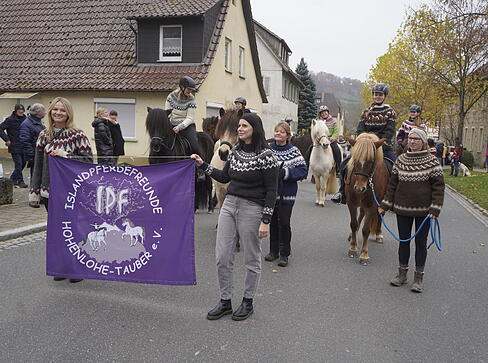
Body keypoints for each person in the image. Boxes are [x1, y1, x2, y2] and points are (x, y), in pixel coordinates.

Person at [191, 112, 278, 321]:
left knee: (251, 257)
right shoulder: (236, 151)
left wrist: (265, 221)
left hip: (252, 208)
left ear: (254, 129)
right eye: (239, 126)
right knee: (222, 256)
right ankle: (225, 301)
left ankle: (248, 301)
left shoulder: (267, 156)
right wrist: (203, 164)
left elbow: (272, 190)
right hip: (229, 205)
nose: (239, 129)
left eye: (244, 126)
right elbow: (224, 176)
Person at [29, 97, 93, 283]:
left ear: (68, 113)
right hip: (49, 191)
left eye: (62, 110)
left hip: (72, 193)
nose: (58, 113)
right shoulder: (44, 135)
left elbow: (88, 162)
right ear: (50, 112)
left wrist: (65, 155)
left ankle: (77, 267)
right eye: (55, 109)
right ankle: (61, 267)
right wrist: (34, 191)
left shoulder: (77, 135)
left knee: (73, 229)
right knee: (57, 231)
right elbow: (38, 164)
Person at [378, 128, 444, 293]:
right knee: (404, 241)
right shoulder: (401, 160)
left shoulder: (432, 161)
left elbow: (438, 187)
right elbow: (392, 186)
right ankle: (402, 274)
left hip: (424, 211)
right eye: (410, 138)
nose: (413, 141)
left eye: (416, 139)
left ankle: (418, 278)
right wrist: (384, 205)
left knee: (421, 243)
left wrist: (435, 208)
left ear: (423, 142)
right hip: (402, 209)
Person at [332, 83, 397, 204]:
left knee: (395, 167)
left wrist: (377, 143)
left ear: (385, 96)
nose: (377, 97)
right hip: (364, 146)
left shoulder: (390, 112)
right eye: (375, 94)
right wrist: (364, 142)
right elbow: (360, 129)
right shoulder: (366, 111)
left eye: (380, 95)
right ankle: (342, 192)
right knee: (344, 164)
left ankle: (392, 197)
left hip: (382, 146)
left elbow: (389, 131)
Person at [265, 122, 307, 267]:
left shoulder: (294, 151)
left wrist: (285, 173)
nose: (278, 134)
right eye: (276, 131)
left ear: (288, 136)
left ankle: (284, 253)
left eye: (282, 132)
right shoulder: (268, 149)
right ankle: (273, 251)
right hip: (271, 193)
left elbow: (303, 170)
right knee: (273, 222)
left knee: (284, 222)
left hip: (287, 194)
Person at [165, 76, 201, 155]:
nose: (190, 91)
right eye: (188, 89)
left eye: (191, 89)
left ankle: (195, 165)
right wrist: (168, 125)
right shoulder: (170, 97)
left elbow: (190, 118)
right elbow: (168, 113)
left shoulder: (192, 101)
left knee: (194, 147)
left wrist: (179, 127)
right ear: (182, 87)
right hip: (172, 125)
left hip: (187, 126)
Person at [0, 104, 27, 187]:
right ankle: (20, 181)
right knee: (18, 164)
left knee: (23, 163)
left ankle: (13, 178)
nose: (21, 112)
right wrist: (6, 139)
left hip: (24, 145)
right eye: (19, 111)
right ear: (16, 111)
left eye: (22, 111)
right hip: (14, 145)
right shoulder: (10, 120)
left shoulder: (25, 119)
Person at [19, 103, 46, 180]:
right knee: (35, 178)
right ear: (38, 112)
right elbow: (24, 141)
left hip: (40, 155)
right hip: (35, 156)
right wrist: (32, 156)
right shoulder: (26, 124)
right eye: (43, 110)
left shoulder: (38, 122)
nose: (45, 112)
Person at [313, 105, 342, 176]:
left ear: (328, 112)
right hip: (321, 140)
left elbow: (336, 131)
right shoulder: (318, 122)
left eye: (325, 112)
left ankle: (338, 168)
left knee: (337, 150)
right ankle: (309, 166)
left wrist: (331, 139)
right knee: (310, 149)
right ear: (320, 114)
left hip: (330, 140)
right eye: (322, 113)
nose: (324, 114)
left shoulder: (333, 121)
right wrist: (317, 138)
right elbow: (316, 131)